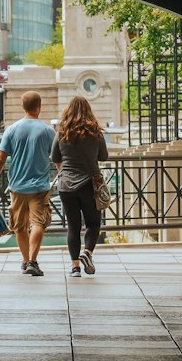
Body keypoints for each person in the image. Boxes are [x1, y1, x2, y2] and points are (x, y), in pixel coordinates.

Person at [0, 91, 53, 276]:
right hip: (40, 187)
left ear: (24, 107)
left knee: (19, 226)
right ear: (39, 107)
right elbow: (59, 158)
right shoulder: (48, 131)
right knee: (39, 223)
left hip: (18, 186)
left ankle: (25, 260)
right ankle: (33, 260)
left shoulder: (12, 130)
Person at [51, 95, 108, 277]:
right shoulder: (95, 131)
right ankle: (87, 252)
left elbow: (54, 157)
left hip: (66, 185)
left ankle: (75, 267)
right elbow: (104, 156)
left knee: (73, 226)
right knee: (93, 224)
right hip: (89, 184)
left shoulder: (62, 131)